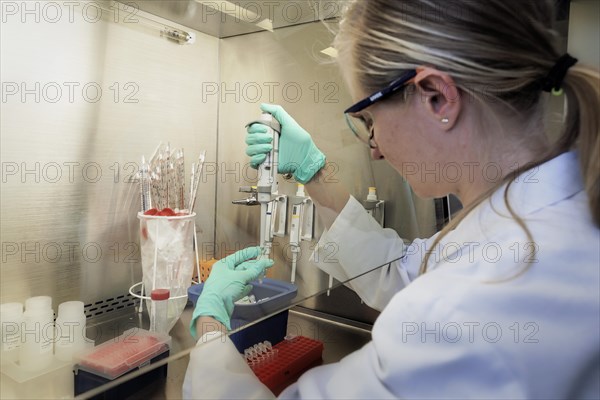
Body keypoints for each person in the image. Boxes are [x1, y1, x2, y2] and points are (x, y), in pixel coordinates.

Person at [183, 0, 599, 398]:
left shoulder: (472, 305)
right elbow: (399, 273)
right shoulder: (550, 213)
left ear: (436, 96)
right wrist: (314, 171)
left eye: (368, 120)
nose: (374, 148)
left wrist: (210, 325)